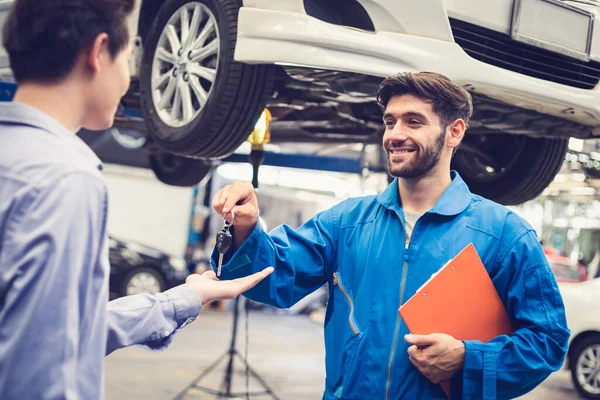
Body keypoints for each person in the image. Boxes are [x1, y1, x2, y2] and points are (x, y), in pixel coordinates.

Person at [212, 72, 570, 399]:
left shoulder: (504, 234)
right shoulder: (347, 222)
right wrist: (245, 227)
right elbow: (271, 278)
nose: (395, 134)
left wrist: (468, 357)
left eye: (414, 121)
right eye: (390, 121)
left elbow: (547, 342)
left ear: (454, 132)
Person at [0, 0, 273, 398]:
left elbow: (70, 328)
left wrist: (186, 298)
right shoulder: (66, 178)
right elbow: (43, 369)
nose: (129, 79)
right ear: (97, 53)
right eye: (128, 58)